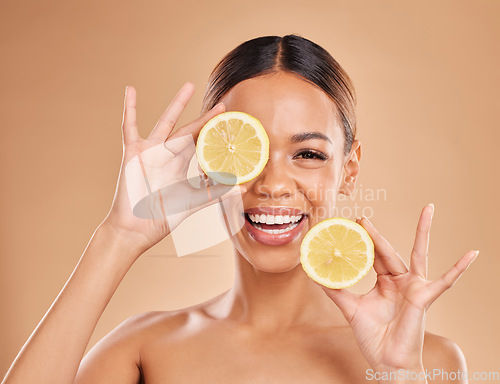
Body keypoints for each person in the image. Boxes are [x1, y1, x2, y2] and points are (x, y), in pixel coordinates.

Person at [2, 34, 478, 384]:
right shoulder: (145, 351)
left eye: (308, 154)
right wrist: (120, 234)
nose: (272, 185)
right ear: (208, 163)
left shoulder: (427, 362)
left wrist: (399, 377)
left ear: (349, 169)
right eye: (248, 154)